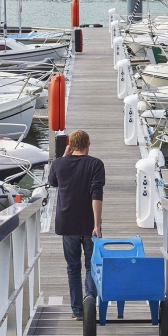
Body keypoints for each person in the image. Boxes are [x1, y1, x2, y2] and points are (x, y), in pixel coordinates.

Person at [48, 130, 105, 321]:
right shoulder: (95, 164)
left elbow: (53, 182)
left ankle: (78, 311)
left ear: (70, 146)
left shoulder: (58, 164)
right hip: (89, 224)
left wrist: (63, 158)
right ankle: (90, 306)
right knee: (92, 266)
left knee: (73, 267)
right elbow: (96, 194)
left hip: (67, 223)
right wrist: (97, 225)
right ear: (88, 143)